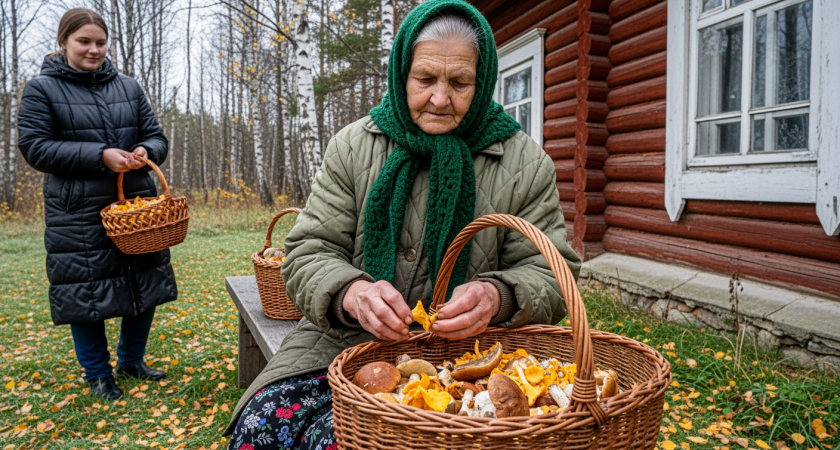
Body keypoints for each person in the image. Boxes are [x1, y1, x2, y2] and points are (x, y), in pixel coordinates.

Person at [224, 0, 580, 448]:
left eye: (460, 82)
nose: (440, 97)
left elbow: (553, 272)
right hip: (342, 346)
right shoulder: (353, 146)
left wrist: (498, 296)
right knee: (262, 428)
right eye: (425, 78)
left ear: (483, 79)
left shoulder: (523, 161)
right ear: (401, 73)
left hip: (471, 365)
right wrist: (351, 294)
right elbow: (307, 251)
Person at [17, 8, 176, 401]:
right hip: (78, 211)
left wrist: (145, 149)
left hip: (136, 205)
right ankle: (97, 374)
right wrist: (99, 154)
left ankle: (132, 360)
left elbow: (157, 138)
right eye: (83, 42)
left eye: (100, 42)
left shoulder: (129, 86)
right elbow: (35, 148)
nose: (93, 50)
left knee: (143, 280)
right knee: (85, 292)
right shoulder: (42, 88)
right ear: (64, 43)